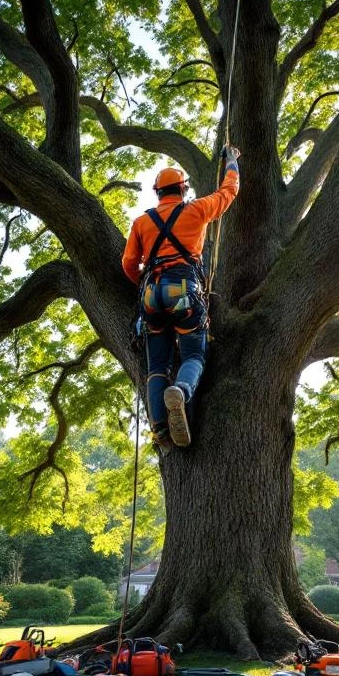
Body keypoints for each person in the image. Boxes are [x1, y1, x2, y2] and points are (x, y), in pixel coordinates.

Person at [121, 146, 240, 452]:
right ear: (183, 189)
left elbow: (128, 265)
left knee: (157, 364)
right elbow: (229, 191)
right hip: (183, 290)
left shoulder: (141, 222)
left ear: (158, 193)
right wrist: (232, 161)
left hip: (151, 294)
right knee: (194, 356)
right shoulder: (196, 210)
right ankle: (181, 390)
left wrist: (145, 285)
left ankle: (161, 430)